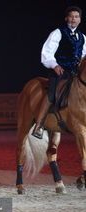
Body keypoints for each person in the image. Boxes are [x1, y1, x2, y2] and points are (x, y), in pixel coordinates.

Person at [32, 6, 86, 139]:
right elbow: (47, 53)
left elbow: (84, 55)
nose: (74, 19)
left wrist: (81, 64)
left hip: (75, 73)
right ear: (66, 18)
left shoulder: (83, 37)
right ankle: (39, 125)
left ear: (80, 20)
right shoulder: (58, 33)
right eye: (71, 16)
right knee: (52, 92)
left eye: (76, 17)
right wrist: (54, 65)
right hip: (60, 72)